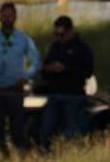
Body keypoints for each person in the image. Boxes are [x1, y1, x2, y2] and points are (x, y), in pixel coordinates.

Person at [0, 2, 40, 157]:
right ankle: (0, 156)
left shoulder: (24, 39)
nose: (7, 18)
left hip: (15, 89)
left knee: (18, 126)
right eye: (4, 15)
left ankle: (21, 156)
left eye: (10, 15)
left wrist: (26, 77)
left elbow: (36, 61)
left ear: (15, 17)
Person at [36, 15, 96, 148]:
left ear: (70, 31)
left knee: (72, 133)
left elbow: (88, 71)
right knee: (46, 130)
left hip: (73, 96)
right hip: (54, 95)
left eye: (61, 34)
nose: (59, 37)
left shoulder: (83, 48)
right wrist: (48, 69)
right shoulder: (55, 47)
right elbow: (44, 68)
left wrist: (65, 68)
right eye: (56, 34)